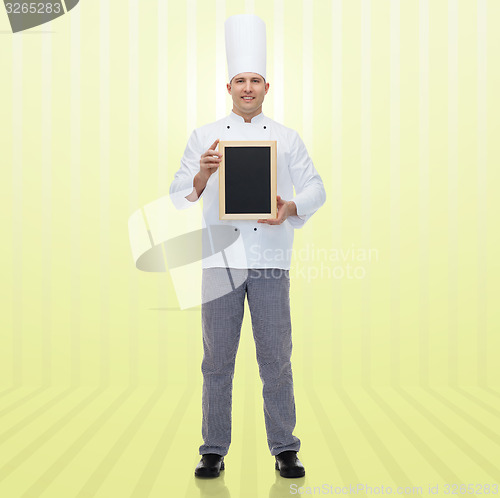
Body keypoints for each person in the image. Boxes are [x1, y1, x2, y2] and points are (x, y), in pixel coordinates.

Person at [169, 14, 326, 479]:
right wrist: (202, 174)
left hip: (272, 260)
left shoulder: (286, 137)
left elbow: (317, 187)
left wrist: (289, 206)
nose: (248, 88)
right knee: (216, 358)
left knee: (276, 357)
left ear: (266, 86)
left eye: (255, 80)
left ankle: (285, 447)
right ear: (229, 85)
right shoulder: (205, 136)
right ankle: (213, 448)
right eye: (240, 80)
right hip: (220, 261)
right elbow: (180, 193)